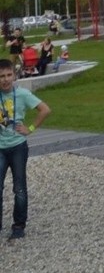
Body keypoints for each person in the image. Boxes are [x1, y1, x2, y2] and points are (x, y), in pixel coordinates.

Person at [0, 57, 51, 239]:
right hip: (0, 148)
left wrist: (29, 129)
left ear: (14, 75)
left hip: (17, 147)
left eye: (8, 75)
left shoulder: (22, 94)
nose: (5, 79)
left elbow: (45, 109)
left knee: (19, 187)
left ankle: (19, 225)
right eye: (1, 76)